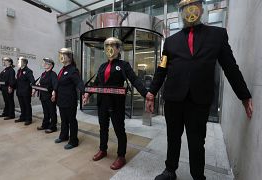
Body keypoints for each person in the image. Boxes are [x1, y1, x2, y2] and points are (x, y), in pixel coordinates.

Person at [146, 1, 253, 180]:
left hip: (199, 99)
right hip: (173, 98)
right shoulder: (171, 42)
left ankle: (197, 175)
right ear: (180, 12)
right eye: (185, 8)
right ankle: (170, 170)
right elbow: (162, 69)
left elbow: (230, 67)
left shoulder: (217, 35)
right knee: (173, 137)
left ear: (202, 8)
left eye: (194, 5)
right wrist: (151, 93)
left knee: (196, 142)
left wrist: (244, 95)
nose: (190, 10)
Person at [82, 37, 151, 170]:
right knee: (103, 128)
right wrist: (87, 94)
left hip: (116, 103)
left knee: (119, 130)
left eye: (113, 45)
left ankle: (121, 156)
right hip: (102, 102)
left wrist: (145, 94)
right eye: (107, 46)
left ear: (118, 49)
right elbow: (97, 83)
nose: (110, 48)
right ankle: (103, 149)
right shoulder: (102, 66)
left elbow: (135, 80)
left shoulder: (124, 65)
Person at [52, 48, 85, 150]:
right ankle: (64, 136)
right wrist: (54, 91)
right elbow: (58, 83)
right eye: (60, 55)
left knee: (71, 120)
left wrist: (85, 92)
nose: (61, 57)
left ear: (69, 57)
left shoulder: (73, 70)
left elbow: (79, 82)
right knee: (63, 120)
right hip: (61, 100)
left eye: (63, 55)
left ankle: (73, 141)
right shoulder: (62, 70)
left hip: (70, 100)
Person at [33, 58, 58, 133]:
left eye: (46, 63)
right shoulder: (43, 74)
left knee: (52, 112)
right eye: (44, 63)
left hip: (49, 96)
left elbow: (55, 84)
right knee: (45, 112)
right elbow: (40, 84)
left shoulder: (53, 74)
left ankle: (53, 127)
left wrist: (54, 92)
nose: (44, 64)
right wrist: (35, 89)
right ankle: (45, 125)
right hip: (43, 96)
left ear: (51, 65)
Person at [15, 57, 35, 126]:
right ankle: (22, 117)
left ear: (24, 63)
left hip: (26, 91)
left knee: (27, 105)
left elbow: (32, 80)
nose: (18, 63)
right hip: (19, 91)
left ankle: (28, 119)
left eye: (19, 62)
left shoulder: (28, 71)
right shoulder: (19, 71)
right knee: (22, 105)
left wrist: (33, 89)